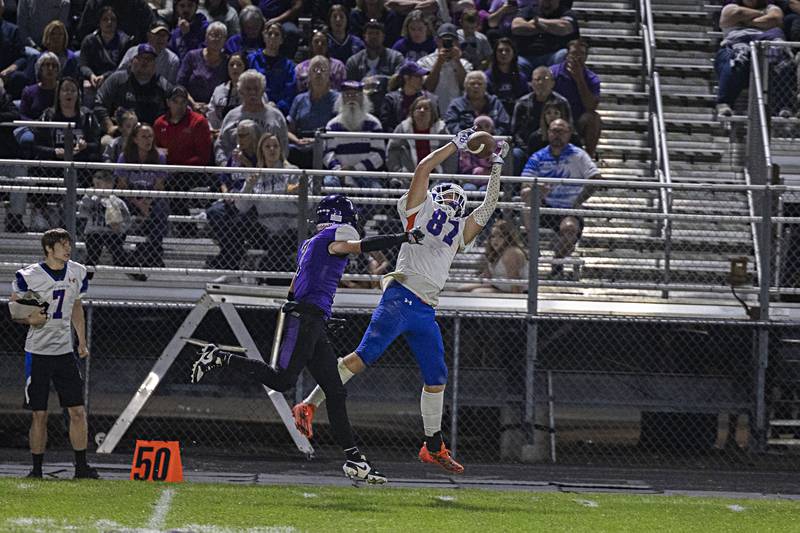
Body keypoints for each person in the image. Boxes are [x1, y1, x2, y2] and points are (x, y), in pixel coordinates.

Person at [292, 128, 509, 475]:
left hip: (425, 308)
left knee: (437, 376)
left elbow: (489, 205)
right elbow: (422, 168)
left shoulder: (457, 231)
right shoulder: (418, 211)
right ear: (436, 197)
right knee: (363, 357)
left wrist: (497, 164)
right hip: (401, 295)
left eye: (457, 198)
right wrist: (456, 143)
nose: (453, 201)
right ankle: (309, 404)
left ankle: (433, 446)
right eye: (448, 196)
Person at [190, 194, 427, 483]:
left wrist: (319, 317)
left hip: (308, 317)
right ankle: (219, 356)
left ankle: (355, 460)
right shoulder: (335, 236)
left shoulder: (310, 243)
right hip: (304, 317)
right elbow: (355, 246)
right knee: (282, 380)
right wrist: (404, 238)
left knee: (336, 391)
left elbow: (296, 285)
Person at [10, 228, 99, 479]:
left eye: (68, 243)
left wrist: (81, 341)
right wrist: (29, 318)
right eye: (62, 244)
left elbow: (76, 307)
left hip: (63, 352)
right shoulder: (31, 275)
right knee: (39, 414)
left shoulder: (77, 271)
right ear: (49, 249)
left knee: (77, 411)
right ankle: (36, 469)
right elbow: (14, 307)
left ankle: (81, 467)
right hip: (37, 352)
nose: (68, 248)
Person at [209, 131, 300, 272]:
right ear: (261, 151)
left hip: (291, 229)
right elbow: (241, 207)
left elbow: (310, 204)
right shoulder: (256, 174)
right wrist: (249, 186)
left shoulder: (293, 172)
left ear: (281, 149)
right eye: (267, 146)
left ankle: (266, 268)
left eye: (275, 146)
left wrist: (298, 194)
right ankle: (231, 263)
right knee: (234, 223)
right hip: (266, 230)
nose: (272, 150)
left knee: (279, 244)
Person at [520, 118, 600, 277]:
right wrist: (537, 189)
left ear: (569, 133)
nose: (557, 135)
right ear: (548, 133)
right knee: (527, 195)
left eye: (561, 131)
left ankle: (557, 263)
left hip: (568, 208)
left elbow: (595, 178)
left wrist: (579, 201)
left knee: (570, 227)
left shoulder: (578, 155)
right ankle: (533, 245)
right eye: (554, 131)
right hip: (544, 206)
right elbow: (524, 184)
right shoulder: (538, 156)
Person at [714, 0, 794, 118]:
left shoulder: (772, 7)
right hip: (737, 44)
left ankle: (784, 106)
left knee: (783, 60)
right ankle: (724, 102)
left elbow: (775, 18)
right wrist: (763, 15)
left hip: (767, 44)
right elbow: (736, 13)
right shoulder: (730, 7)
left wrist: (746, 19)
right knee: (736, 58)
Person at [206, 119, 262, 269]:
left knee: (239, 218)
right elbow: (224, 180)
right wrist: (226, 194)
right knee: (214, 212)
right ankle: (230, 252)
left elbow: (261, 177)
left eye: (244, 136)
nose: (240, 140)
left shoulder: (261, 155)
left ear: (254, 137)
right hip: (232, 198)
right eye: (238, 136)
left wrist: (246, 162)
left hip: (251, 200)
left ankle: (232, 255)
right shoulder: (235, 155)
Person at [154, 85, 213, 226]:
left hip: (194, 171)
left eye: (183, 102)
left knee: (174, 184)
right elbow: (155, 150)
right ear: (168, 102)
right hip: (167, 171)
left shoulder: (198, 122)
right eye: (175, 102)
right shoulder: (159, 123)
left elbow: (204, 156)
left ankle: (186, 228)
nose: (179, 106)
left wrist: (178, 167)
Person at [115, 123, 170, 271]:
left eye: (150, 136)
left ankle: (153, 253)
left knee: (162, 207)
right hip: (130, 197)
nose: (148, 140)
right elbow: (122, 186)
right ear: (135, 139)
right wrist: (138, 203)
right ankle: (120, 254)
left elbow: (159, 185)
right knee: (119, 204)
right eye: (144, 137)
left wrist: (148, 202)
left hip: (151, 196)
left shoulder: (159, 157)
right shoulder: (125, 157)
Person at [95, 44, 175, 136]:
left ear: (154, 65)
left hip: (151, 137)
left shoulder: (163, 85)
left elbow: (176, 103)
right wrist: (109, 127)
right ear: (132, 61)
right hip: (120, 134)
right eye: (140, 58)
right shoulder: (117, 79)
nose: (145, 62)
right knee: (106, 142)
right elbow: (99, 103)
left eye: (149, 59)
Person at [214, 69, 289, 166]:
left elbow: (284, 148)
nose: (253, 92)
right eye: (248, 89)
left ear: (263, 91)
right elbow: (221, 145)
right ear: (240, 91)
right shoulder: (231, 116)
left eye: (256, 88)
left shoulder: (276, 116)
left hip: (267, 172)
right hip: (235, 172)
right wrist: (224, 166)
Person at [323, 80, 385, 188]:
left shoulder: (374, 124)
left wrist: (356, 169)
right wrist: (340, 170)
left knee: (375, 188)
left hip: (366, 173)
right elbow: (327, 154)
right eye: (347, 95)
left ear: (363, 98)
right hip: (338, 173)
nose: (351, 98)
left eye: (356, 95)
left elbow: (379, 155)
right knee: (329, 183)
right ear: (341, 98)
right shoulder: (332, 125)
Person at [511, 65, 571, 172]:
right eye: (537, 79)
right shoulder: (522, 103)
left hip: (556, 146)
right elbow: (515, 132)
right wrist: (527, 148)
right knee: (516, 154)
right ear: (531, 83)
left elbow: (569, 128)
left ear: (553, 83)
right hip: (527, 147)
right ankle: (517, 186)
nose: (541, 83)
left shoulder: (562, 103)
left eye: (545, 79)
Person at [550, 39, 601, 157]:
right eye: (573, 53)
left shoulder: (592, 78)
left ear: (586, 57)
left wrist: (579, 79)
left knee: (594, 118)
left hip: (577, 120)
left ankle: (588, 158)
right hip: (554, 116)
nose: (577, 57)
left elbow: (591, 106)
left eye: (581, 54)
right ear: (567, 55)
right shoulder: (553, 72)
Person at [287, 55, 339, 168]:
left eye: (323, 69)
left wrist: (316, 140)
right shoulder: (299, 99)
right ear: (309, 74)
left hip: (326, 145)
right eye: (315, 69)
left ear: (329, 74)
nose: (319, 73)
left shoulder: (337, 99)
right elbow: (288, 130)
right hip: (300, 145)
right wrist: (297, 141)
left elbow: (339, 131)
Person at [387, 95, 452, 176]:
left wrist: (445, 176)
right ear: (412, 112)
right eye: (418, 108)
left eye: (426, 108)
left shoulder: (442, 130)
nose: (422, 111)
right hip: (407, 177)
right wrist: (398, 173)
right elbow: (392, 152)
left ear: (433, 113)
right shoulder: (402, 129)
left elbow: (451, 154)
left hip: (437, 177)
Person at [511, 0, 579, 78]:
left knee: (563, 54)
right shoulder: (528, 10)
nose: (547, 3)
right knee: (517, 62)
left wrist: (537, 21)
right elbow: (516, 27)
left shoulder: (566, 12)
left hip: (553, 55)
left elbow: (564, 28)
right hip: (527, 57)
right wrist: (549, 28)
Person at [457, 219, 528, 293]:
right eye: (493, 236)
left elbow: (515, 283)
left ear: (508, 238)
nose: (495, 240)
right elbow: (488, 276)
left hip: (513, 289)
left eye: (501, 236)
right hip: (498, 285)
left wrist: (515, 301)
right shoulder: (494, 252)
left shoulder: (511, 252)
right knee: (462, 288)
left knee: (477, 292)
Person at [78, 170, 131, 268]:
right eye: (95, 185)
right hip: (94, 232)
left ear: (110, 185)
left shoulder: (116, 201)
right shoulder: (90, 198)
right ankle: (87, 273)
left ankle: (131, 268)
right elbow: (82, 212)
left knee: (118, 252)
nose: (97, 188)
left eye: (100, 185)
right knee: (92, 254)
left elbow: (126, 218)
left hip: (111, 233)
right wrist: (91, 197)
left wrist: (121, 229)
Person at [418, 22, 473, 115]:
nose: (447, 42)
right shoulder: (425, 62)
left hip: (457, 113)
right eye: (444, 39)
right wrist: (439, 62)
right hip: (433, 113)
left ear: (457, 42)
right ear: (437, 41)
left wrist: (457, 61)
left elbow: (465, 87)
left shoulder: (465, 64)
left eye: (452, 40)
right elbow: (428, 87)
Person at [177, 21, 229, 112]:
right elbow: (180, 84)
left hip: (217, 110)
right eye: (213, 35)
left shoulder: (227, 61)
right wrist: (193, 104)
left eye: (220, 36)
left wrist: (211, 107)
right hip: (189, 107)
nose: (216, 39)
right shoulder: (192, 56)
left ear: (225, 40)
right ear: (206, 37)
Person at [79, 6, 133, 92]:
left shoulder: (125, 42)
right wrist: (91, 75)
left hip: (116, 81)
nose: (109, 22)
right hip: (93, 81)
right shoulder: (89, 41)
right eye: (105, 19)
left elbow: (124, 67)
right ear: (99, 22)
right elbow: (83, 64)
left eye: (113, 19)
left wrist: (105, 77)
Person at [247, 21, 296, 115]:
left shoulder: (288, 66)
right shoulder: (251, 59)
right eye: (270, 34)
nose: (273, 37)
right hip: (252, 108)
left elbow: (289, 91)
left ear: (282, 40)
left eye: (277, 34)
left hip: (277, 112)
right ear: (264, 37)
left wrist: (277, 106)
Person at [444, 70, 510, 135]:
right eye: (472, 83)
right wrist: (469, 137)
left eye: (480, 84)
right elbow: (451, 125)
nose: (476, 86)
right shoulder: (456, 104)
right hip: (465, 143)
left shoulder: (495, 102)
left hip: (493, 141)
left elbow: (504, 124)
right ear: (465, 86)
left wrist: (491, 135)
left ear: (485, 86)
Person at [380, 60, 437, 133]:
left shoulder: (430, 99)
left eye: (422, 77)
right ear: (406, 78)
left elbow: (436, 123)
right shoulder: (391, 99)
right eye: (417, 76)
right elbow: (386, 125)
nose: (421, 80)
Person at [345, 18, 403, 83]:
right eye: (370, 33)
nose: (374, 37)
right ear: (364, 36)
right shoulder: (353, 61)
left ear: (383, 37)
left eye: (377, 33)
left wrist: (377, 79)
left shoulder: (396, 58)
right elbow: (350, 85)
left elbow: (398, 80)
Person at [24, 20, 80, 85]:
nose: (56, 37)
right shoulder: (38, 58)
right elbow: (29, 82)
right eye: (53, 33)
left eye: (60, 34)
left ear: (64, 37)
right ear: (47, 36)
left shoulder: (71, 58)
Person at [206, 52, 251, 130]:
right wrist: (214, 131)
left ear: (245, 68)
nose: (235, 67)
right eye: (231, 65)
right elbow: (211, 115)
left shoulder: (254, 90)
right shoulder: (219, 90)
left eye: (239, 65)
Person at [77, 0, 154, 45]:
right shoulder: (95, 3)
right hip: (98, 54)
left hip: (132, 57)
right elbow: (82, 33)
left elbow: (151, 30)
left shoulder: (139, 5)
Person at [485, 37, 527, 117]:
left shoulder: (521, 77)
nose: (504, 53)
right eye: (500, 51)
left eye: (507, 50)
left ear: (513, 53)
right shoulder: (487, 77)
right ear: (495, 54)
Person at [294, 27, 346, 92]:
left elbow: (343, 90)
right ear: (311, 45)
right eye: (316, 42)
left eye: (323, 42)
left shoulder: (338, 67)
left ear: (327, 46)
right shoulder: (300, 68)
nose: (320, 45)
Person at [0, 0, 28, 100]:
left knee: (19, 77)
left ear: (2, 8)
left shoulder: (13, 30)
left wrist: (8, 70)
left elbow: (22, 58)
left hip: (5, 75)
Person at [19, 52, 58, 120]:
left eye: (54, 66)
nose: (50, 68)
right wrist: (35, 125)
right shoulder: (29, 91)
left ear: (57, 70)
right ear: (40, 68)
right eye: (47, 65)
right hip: (32, 127)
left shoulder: (63, 90)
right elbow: (23, 115)